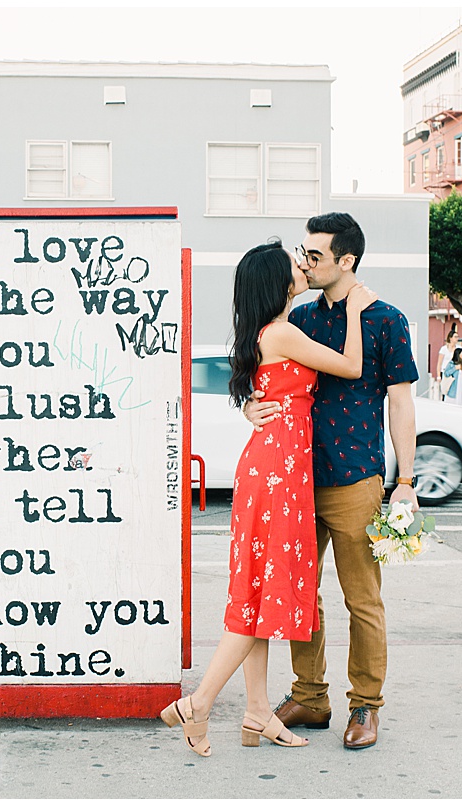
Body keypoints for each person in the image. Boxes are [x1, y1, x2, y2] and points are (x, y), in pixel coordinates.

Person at [160, 240, 377, 756]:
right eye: (293, 265)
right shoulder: (281, 331)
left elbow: (267, 389)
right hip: (279, 473)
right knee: (262, 597)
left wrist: (251, 409)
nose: (302, 267)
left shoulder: (266, 332)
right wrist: (353, 310)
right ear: (278, 283)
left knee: (258, 596)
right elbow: (350, 366)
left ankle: (258, 713)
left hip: (271, 467)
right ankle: (200, 703)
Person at [241, 212, 419, 751]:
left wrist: (405, 478)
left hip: (355, 478)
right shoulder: (298, 318)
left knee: (362, 600)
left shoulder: (386, 319)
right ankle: (310, 696)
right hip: (293, 480)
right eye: (304, 251)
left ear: (347, 260)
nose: (304, 261)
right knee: (301, 594)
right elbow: (269, 374)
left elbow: (401, 402)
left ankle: (365, 705)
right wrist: (253, 405)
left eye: (315, 255)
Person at [436, 329, 458, 400]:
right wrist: (439, 375)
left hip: (454, 371)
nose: (457, 338)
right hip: (445, 371)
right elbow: (439, 363)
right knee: (445, 389)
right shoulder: (444, 349)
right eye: (455, 337)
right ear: (450, 338)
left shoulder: (458, 349)